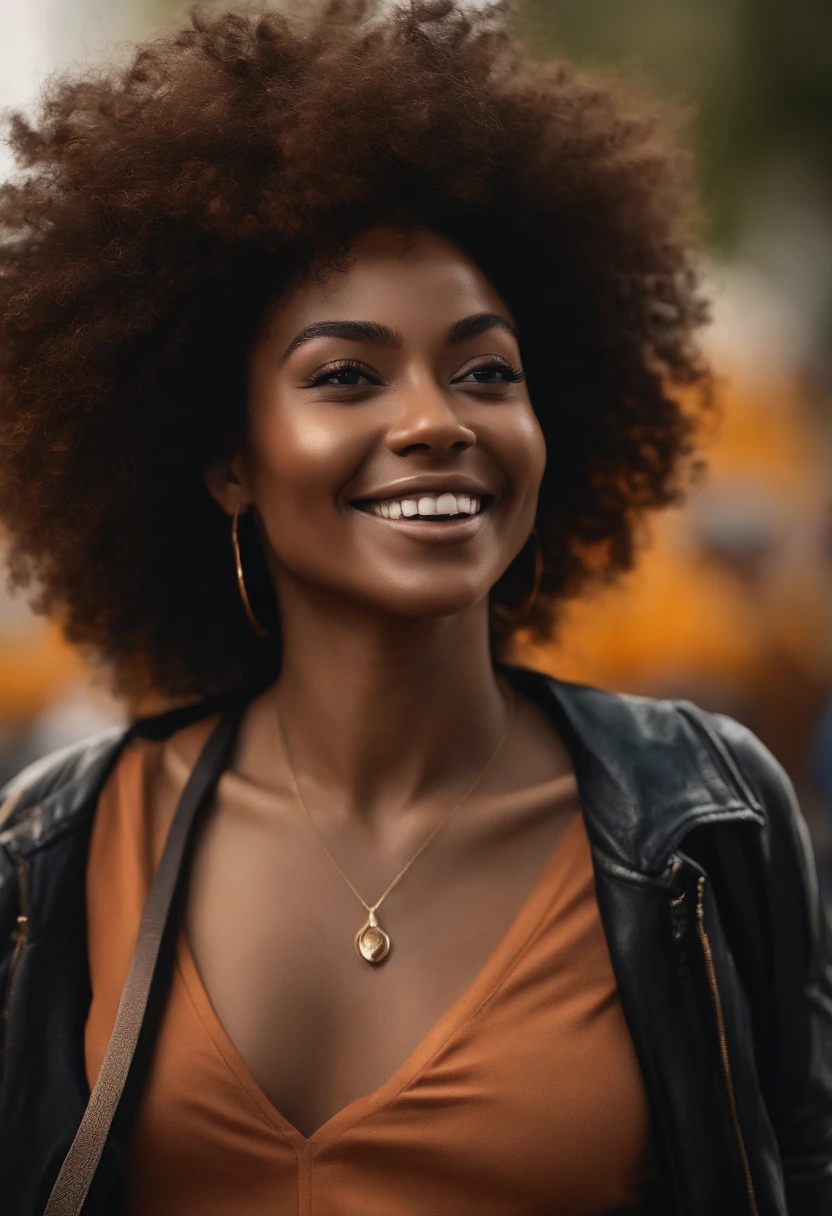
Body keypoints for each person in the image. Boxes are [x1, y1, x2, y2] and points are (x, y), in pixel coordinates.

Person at [0, 3, 829, 1214]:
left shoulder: (705, 822)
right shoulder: (52, 851)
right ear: (225, 455)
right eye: (346, 374)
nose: (438, 418)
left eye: (487, 369)